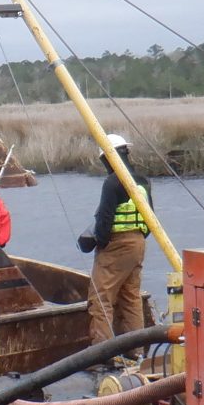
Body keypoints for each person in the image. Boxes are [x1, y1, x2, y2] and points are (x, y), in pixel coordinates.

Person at [76, 133, 152, 348]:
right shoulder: (142, 181)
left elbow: (105, 221)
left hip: (115, 247)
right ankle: (136, 351)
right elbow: (150, 218)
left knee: (101, 300)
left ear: (108, 157)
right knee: (131, 298)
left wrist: (99, 242)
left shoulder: (112, 182)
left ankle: (103, 353)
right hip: (138, 244)